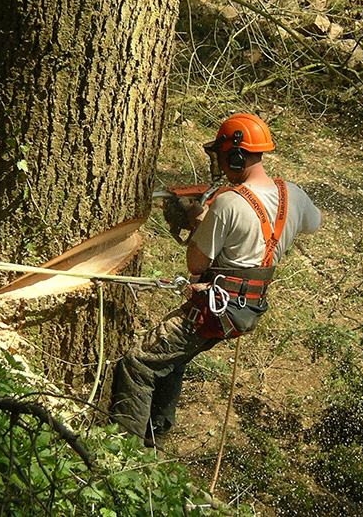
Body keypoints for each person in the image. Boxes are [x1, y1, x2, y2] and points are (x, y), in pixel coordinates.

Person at [110, 113, 322, 447]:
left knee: (138, 363)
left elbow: (196, 264)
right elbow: (313, 223)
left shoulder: (228, 203)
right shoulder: (293, 194)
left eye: (223, 157)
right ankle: (156, 437)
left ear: (235, 155)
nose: (221, 165)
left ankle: (120, 452)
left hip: (215, 308)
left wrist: (200, 221)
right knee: (171, 357)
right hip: (247, 306)